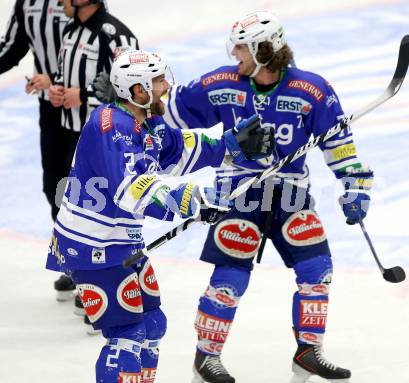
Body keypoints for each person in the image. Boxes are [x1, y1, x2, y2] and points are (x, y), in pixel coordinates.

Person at [161, 10, 373, 383]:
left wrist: (356, 186)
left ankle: (308, 352)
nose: (235, 55)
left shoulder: (312, 90)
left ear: (265, 48)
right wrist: (128, 98)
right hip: (240, 192)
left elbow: (339, 145)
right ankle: (205, 358)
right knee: (229, 278)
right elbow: (169, 110)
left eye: (242, 48)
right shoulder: (222, 83)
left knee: (316, 271)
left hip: (291, 195)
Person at [45, 49, 274, 383]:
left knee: (153, 324)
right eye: (158, 80)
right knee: (128, 334)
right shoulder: (112, 128)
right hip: (93, 247)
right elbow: (131, 188)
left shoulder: (143, 121)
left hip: (119, 244)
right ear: (138, 90)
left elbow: (177, 148)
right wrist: (191, 198)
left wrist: (228, 146)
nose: (166, 85)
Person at [49, 0, 139, 305]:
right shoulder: (71, 30)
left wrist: (84, 96)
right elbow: (68, 75)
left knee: (101, 207)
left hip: (101, 138)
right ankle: (78, 269)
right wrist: (57, 88)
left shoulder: (115, 34)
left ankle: (104, 282)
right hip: (67, 130)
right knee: (63, 197)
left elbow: (135, 88)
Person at [0, 0, 69, 224]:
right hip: (49, 106)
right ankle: (66, 248)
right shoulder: (26, 3)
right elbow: (12, 48)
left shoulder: (81, 3)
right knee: (54, 185)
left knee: (84, 183)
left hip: (86, 106)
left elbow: (98, 51)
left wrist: (54, 77)